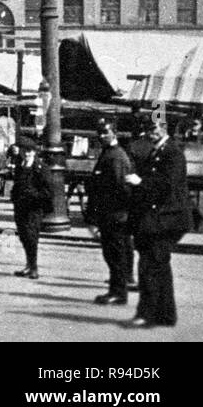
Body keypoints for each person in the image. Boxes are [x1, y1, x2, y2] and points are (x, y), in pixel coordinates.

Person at [125, 112, 192, 328]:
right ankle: (165, 315)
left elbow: (166, 185)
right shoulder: (159, 151)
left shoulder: (172, 153)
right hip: (159, 219)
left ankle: (148, 314)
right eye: (148, 131)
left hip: (166, 219)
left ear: (163, 128)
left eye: (154, 130)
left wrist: (140, 182)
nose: (150, 134)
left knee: (150, 266)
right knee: (159, 266)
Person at [85, 118, 134, 306]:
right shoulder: (109, 153)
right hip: (109, 215)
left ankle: (119, 293)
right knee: (111, 254)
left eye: (106, 132)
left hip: (115, 215)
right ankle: (115, 290)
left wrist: (114, 213)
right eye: (100, 132)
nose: (102, 136)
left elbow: (121, 187)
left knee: (115, 254)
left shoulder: (116, 156)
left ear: (115, 133)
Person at [10, 136, 53, 280]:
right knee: (23, 236)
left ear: (34, 152)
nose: (27, 154)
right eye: (24, 151)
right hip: (20, 207)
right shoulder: (20, 165)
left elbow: (48, 191)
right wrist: (14, 197)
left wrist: (33, 195)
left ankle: (34, 268)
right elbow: (17, 184)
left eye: (29, 151)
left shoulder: (41, 168)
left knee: (31, 237)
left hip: (34, 208)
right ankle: (28, 265)